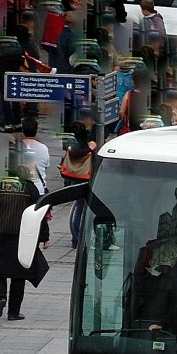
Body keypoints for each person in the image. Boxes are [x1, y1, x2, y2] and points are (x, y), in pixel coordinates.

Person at [0, 166, 50, 321]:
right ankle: (13, 312)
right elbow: (38, 214)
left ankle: (0, 298)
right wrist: (45, 236)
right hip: (22, 237)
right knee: (19, 275)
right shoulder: (30, 189)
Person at [63, 107, 97, 249]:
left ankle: (76, 238)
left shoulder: (72, 142)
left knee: (79, 208)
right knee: (84, 208)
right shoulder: (83, 144)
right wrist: (91, 148)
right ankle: (79, 238)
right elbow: (79, 152)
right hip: (85, 178)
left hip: (74, 177)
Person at [18, 116, 50, 195]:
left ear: (22, 130)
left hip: (20, 189)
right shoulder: (44, 148)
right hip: (39, 189)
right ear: (36, 130)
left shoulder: (17, 147)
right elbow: (46, 165)